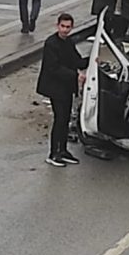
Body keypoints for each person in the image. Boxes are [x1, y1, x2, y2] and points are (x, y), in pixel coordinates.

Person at [37, 12, 88, 167]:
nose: (65, 30)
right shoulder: (51, 43)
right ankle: (53, 153)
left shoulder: (69, 42)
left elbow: (76, 60)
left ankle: (63, 150)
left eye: (68, 27)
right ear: (57, 26)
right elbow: (53, 68)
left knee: (65, 119)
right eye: (63, 26)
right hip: (55, 88)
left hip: (66, 88)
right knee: (59, 119)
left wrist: (90, 60)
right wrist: (75, 75)